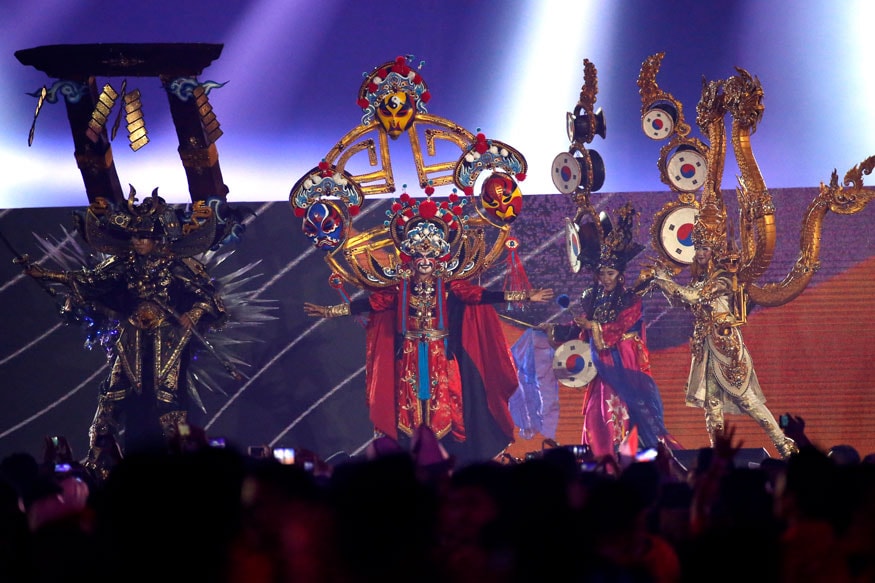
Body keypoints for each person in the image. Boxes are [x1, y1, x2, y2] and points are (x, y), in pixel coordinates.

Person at [304, 188, 553, 465]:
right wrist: (330, 311)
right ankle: (411, 461)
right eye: (419, 256)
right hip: (409, 353)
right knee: (408, 409)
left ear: (438, 258)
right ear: (410, 258)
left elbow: (479, 296)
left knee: (447, 407)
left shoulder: (448, 287)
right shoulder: (401, 288)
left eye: (429, 255)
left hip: (440, 353)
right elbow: (371, 304)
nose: (424, 261)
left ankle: (447, 459)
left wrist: (524, 295)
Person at [23, 189, 229, 481]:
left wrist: (193, 313)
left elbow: (210, 296)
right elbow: (89, 279)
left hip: (168, 340)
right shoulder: (124, 263)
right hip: (131, 337)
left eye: (144, 237)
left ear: (157, 239)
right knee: (110, 396)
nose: (138, 241)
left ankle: (182, 460)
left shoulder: (177, 264)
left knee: (169, 400)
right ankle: (98, 460)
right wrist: (46, 274)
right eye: (135, 236)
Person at [647, 201, 798, 458]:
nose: (699, 252)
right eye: (697, 247)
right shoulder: (702, 278)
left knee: (747, 399)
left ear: (714, 250)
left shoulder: (722, 279)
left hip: (726, 346)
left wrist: (665, 281)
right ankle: (719, 457)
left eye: (704, 248)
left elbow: (694, 297)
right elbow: (689, 302)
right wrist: (663, 284)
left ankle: (784, 445)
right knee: (712, 405)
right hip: (706, 347)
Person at [545, 202, 679, 459]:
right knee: (597, 410)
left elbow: (618, 328)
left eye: (611, 272)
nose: (605, 278)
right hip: (600, 362)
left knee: (626, 408)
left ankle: (636, 458)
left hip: (625, 361)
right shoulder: (592, 298)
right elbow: (579, 323)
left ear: (620, 274)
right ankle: (602, 458)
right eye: (601, 273)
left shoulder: (630, 299)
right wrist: (556, 330)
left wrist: (594, 326)